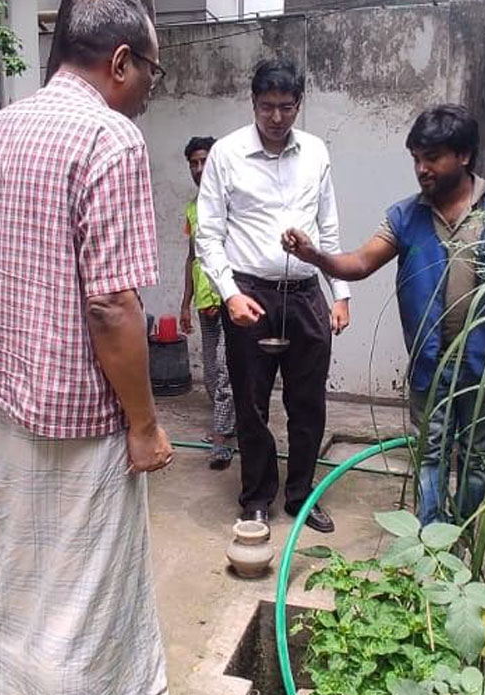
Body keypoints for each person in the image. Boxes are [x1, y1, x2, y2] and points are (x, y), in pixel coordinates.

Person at [0, 0, 172, 695]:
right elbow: (112, 304)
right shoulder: (110, 139)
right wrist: (143, 425)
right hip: (84, 419)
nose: (150, 88)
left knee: (24, 579)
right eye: (152, 71)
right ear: (120, 62)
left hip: (9, 405)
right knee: (85, 598)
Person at [282, 104, 485, 526]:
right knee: (431, 453)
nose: (421, 169)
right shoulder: (405, 217)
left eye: (432, 158)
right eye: (416, 158)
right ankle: (432, 540)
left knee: (480, 459)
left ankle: (468, 537)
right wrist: (315, 255)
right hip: (431, 365)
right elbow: (360, 264)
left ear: (464, 156)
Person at [195, 57, 350, 534]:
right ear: (253, 103)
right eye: (267, 107)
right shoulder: (226, 153)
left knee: (308, 402)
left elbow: (328, 225)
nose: (277, 117)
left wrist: (339, 293)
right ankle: (256, 497)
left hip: (305, 295)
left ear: (299, 104)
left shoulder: (316, 152)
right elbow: (208, 233)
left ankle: (301, 495)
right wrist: (228, 294)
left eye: (286, 107)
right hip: (250, 297)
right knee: (251, 401)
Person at [179, 135, 236, 470]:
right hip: (204, 299)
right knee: (213, 375)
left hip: (231, 298)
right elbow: (191, 257)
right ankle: (229, 425)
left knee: (226, 368)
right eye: (193, 163)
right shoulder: (192, 208)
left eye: (204, 161)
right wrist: (185, 302)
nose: (199, 169)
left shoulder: (233, 202)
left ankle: (222, 440)